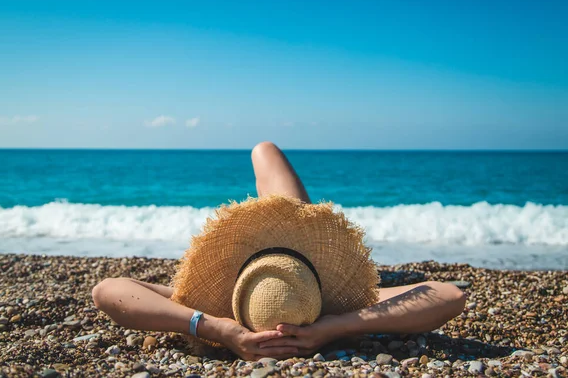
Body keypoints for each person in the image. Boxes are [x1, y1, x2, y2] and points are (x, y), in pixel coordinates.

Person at [92, 141, 466, 360]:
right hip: (309, 275)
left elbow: (107, 291)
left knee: (264, 152)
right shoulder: (336, 306)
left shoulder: (219, 308)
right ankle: (279, 205)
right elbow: (449, 296)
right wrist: (336, 325)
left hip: (254, 292)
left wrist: (217, 328)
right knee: (266, 153)